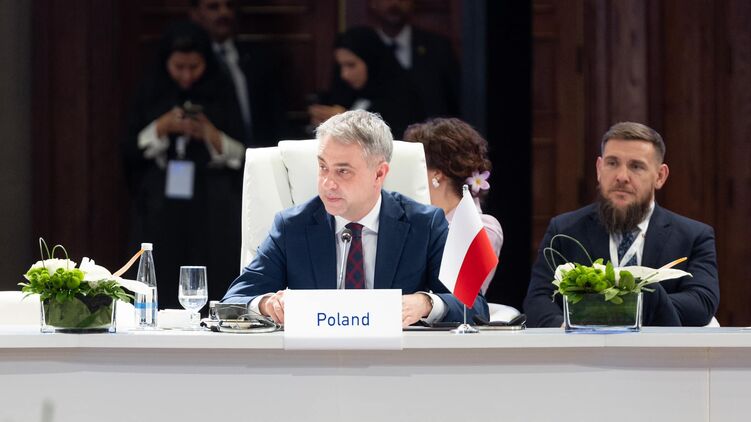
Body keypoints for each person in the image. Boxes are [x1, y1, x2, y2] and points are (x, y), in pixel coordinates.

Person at [222, 110, 489, 326]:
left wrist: (426, 303)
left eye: (343, 171)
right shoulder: (293, 226)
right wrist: (266, 304)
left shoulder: (425, 225)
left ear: (379, 174)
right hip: (312, 366)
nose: (327, 183)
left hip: (398, 366)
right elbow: (232, 301)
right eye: (323, 167)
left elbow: (475, 307)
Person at [524, 122, 720, 327]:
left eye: (636, 166)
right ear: (599, 169)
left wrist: (620, 309)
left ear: (660, 176)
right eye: (612, 163)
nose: (621, 177)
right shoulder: (564, 230)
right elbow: (538, 299)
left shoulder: (693, 236)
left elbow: (702, 301)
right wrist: (568, 329)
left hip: (660, 347)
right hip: (583, 346)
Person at [122, 21, 245, 310]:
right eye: (179, 67)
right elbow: (130, 149)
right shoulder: (152, 89)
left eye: (194, 67)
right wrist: (162, 127)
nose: (187, 76)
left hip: (211, 202)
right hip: (161, 204)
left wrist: (209, 134)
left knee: (214, 268)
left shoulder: (221, 89)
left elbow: (244, 152)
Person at [403, 118, 503, 294]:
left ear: (437, 174)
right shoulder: (405, 218)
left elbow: (461, 295)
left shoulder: (483, 227)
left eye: (413, 166)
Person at [190, 0, 285, 147]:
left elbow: (277, 118)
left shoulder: (260, 58)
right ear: (195, 14)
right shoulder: (188, 65)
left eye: (229, 5)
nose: (224, 13)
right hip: (211, 156)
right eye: (213, 7)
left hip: (259, 152)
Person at [308, 26, 424, 139]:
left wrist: (347, 122)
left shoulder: (402, 97)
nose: (344, 74)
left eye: (351, 65)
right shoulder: (345, 92)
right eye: (340, 66)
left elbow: (395, 138)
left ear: (371, 62)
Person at [369, 0, 461, 118]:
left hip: (430, 127)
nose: (395, 3)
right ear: (373, 3)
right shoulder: (360, 50)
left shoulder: (438, 47)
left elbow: (456, 101)